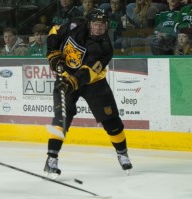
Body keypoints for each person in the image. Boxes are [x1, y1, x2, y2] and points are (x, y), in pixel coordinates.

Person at [44, 9, 133, 178]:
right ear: (89, 23)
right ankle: (51, 158)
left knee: (111, 120)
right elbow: (54, 32)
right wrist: (54, 56)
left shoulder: (105, 48)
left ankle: (122, 153)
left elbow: (89, 71)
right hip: (65, 78)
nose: (99, 28)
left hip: (94, 83)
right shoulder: (74, 25)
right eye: (96, 24)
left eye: (103, 25)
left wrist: (72, 82)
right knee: (61, 118)